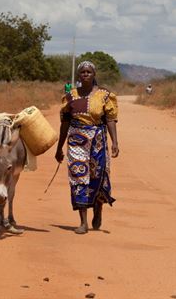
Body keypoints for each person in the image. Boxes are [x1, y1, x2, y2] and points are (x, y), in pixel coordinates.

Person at [55, 61, 119, 234]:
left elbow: (111, 120)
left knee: (97, 176)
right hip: (76, 140)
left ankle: (98, 209)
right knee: (78, 175)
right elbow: (65, 123)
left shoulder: (105, 95)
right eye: (82, 72)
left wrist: (115, 142)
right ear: (78, 75)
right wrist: (59, 147)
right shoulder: (70, 96)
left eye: (88, 72)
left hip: (98, 140)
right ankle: (83, 222)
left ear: (94, 74)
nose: (85, 74)